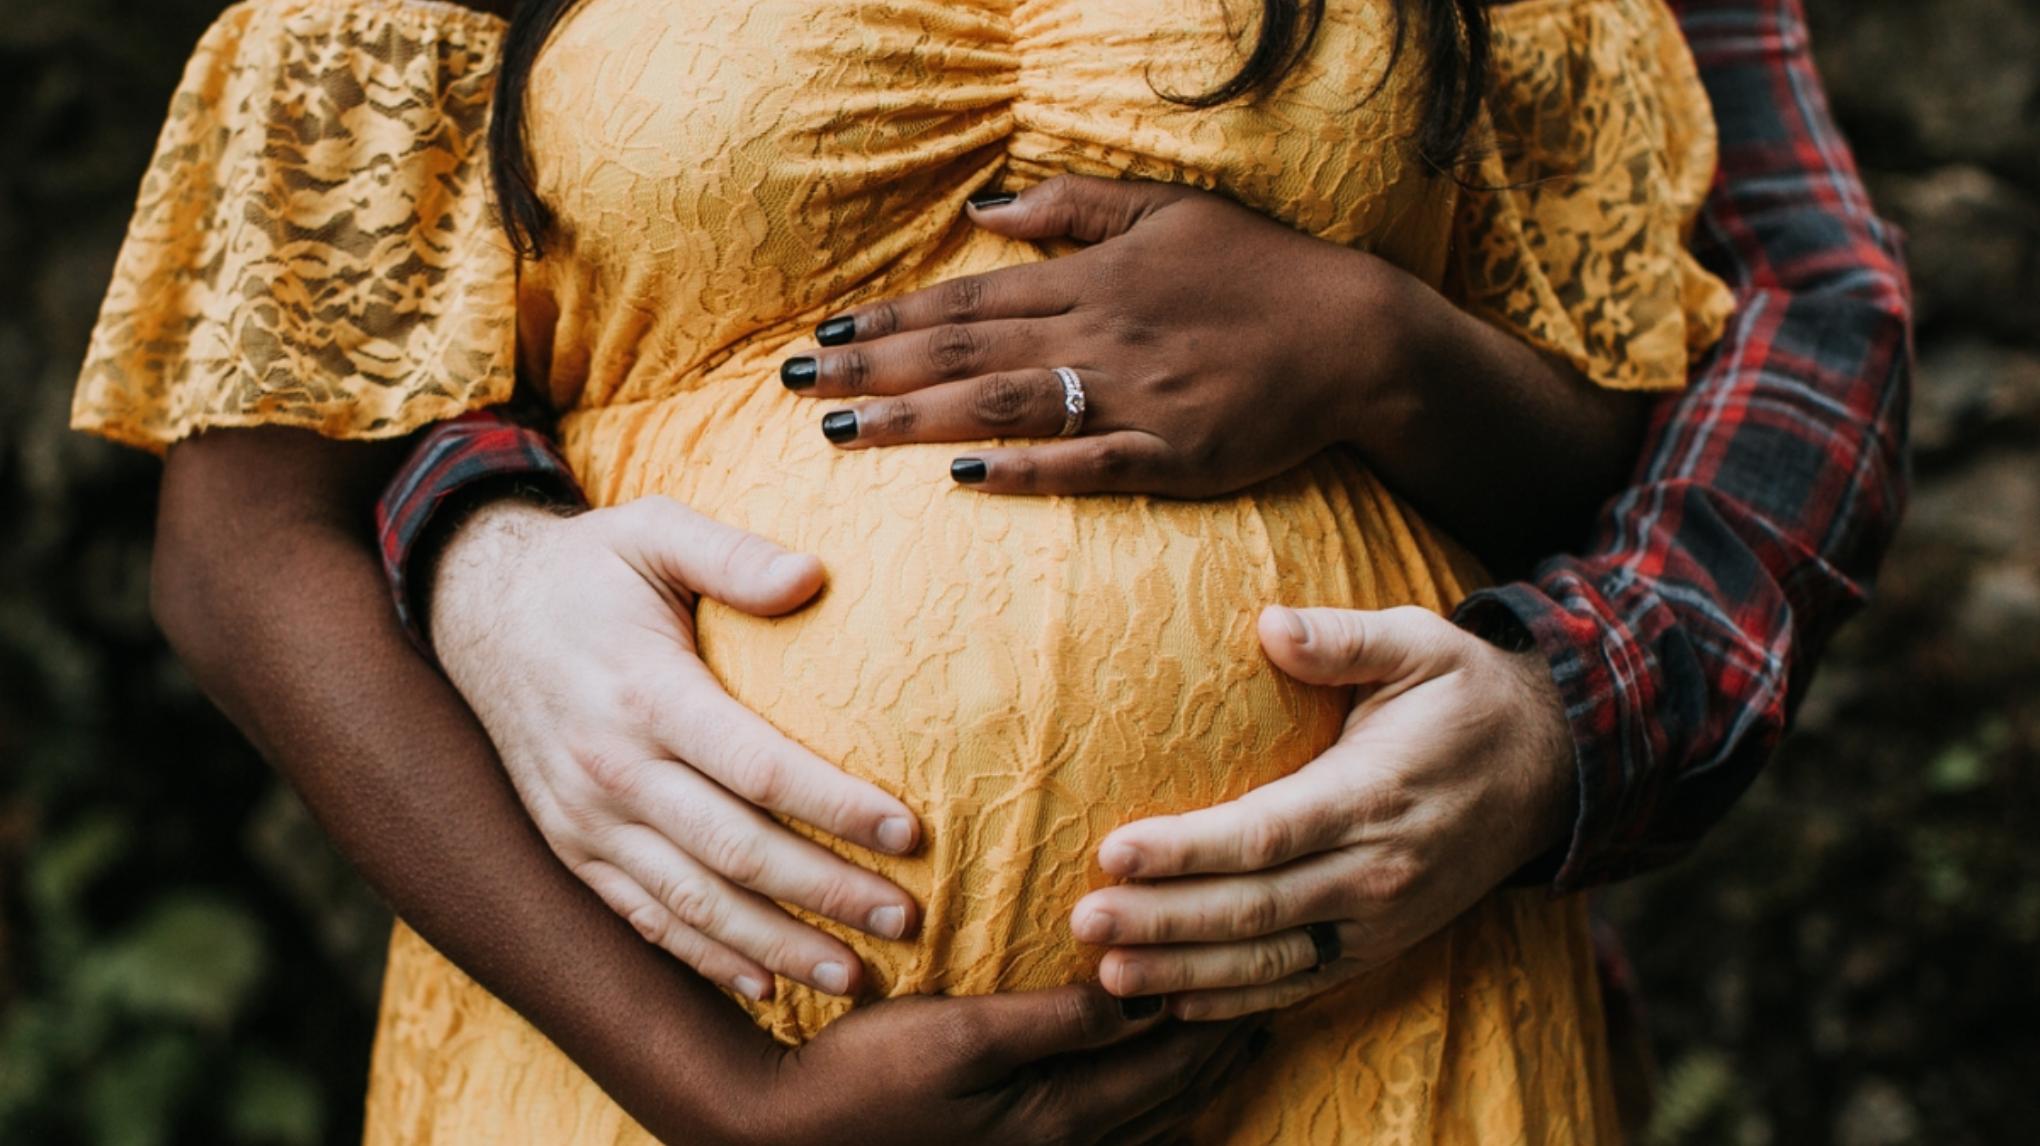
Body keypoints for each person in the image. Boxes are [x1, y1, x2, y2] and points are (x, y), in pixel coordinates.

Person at [73, 0, 1909, 1143]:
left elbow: (1676, 394)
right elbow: (254, 520)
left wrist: (1380, 348)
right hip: (639, 1052)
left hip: (1374, 1025)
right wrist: (727, 1096)